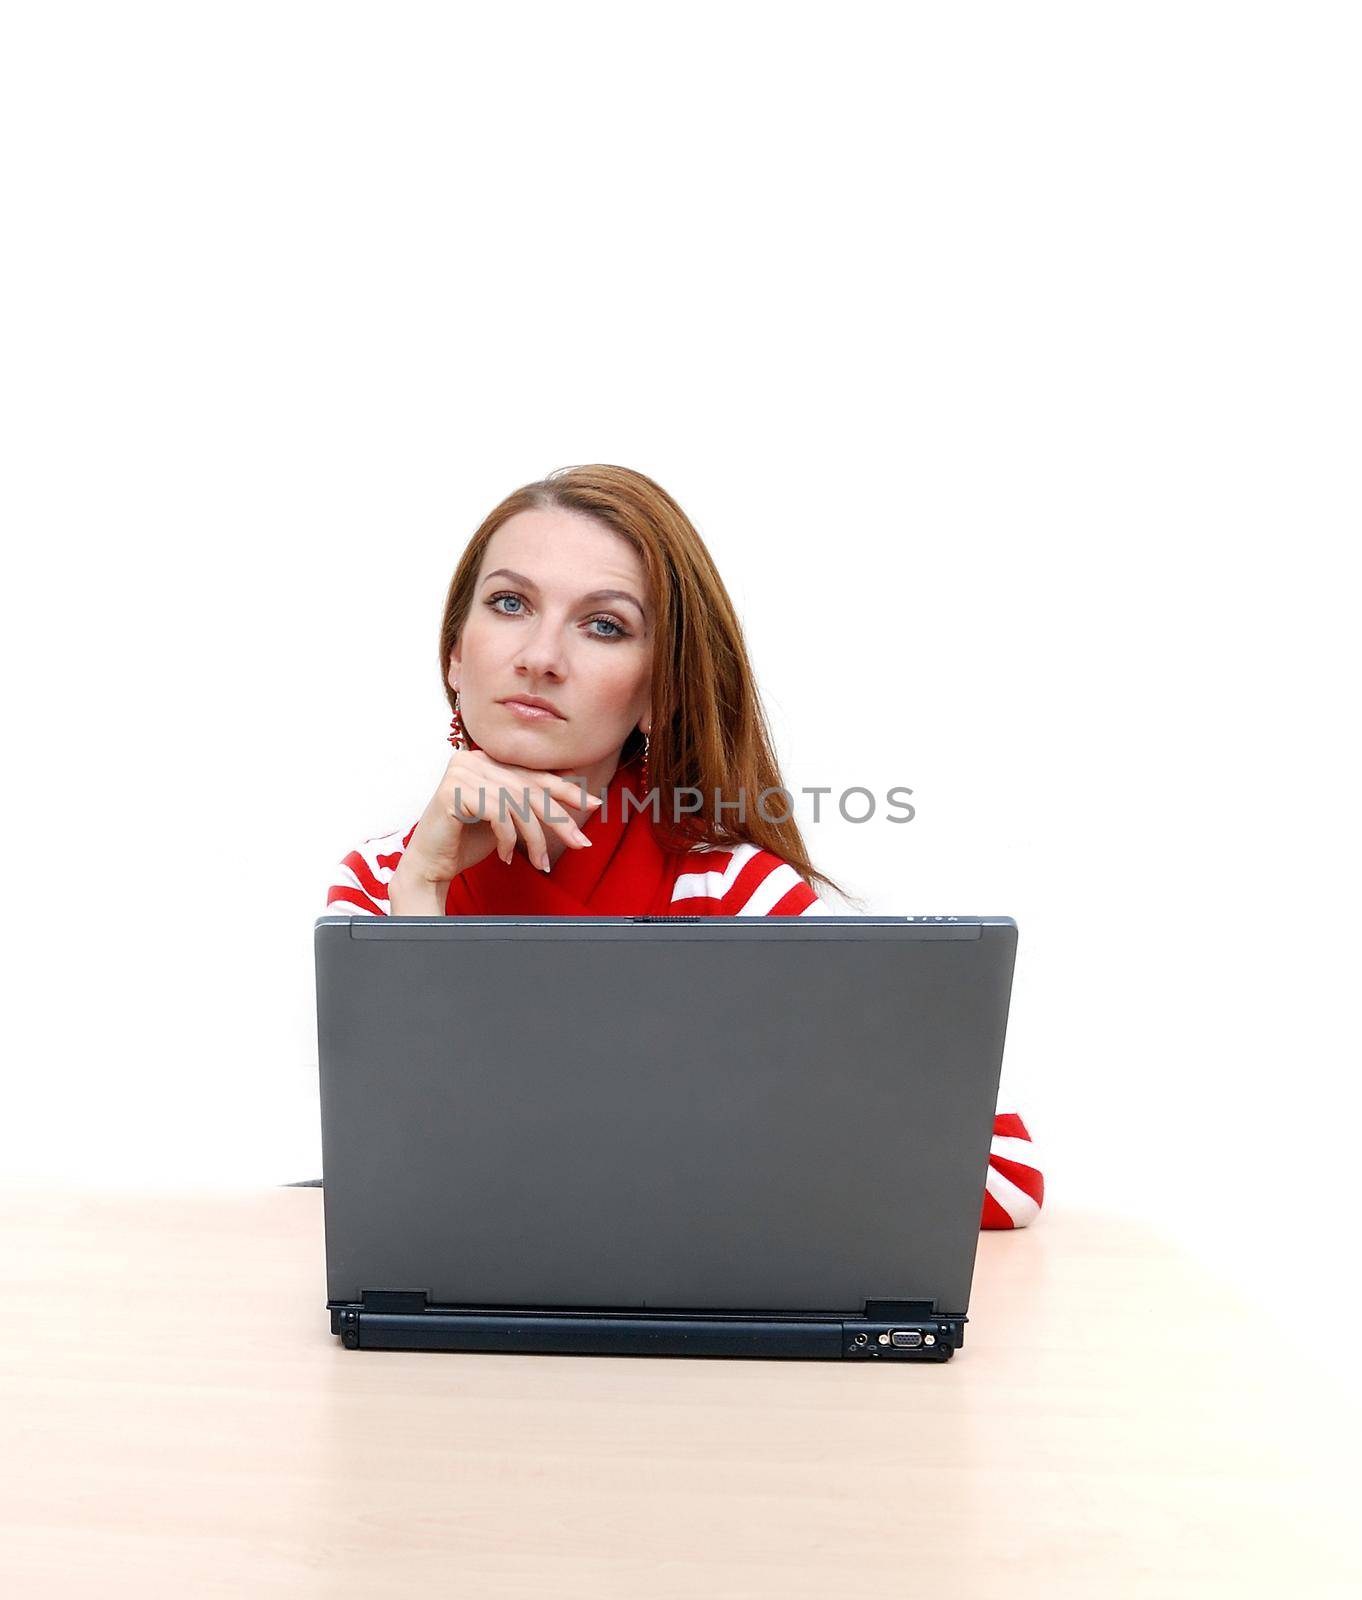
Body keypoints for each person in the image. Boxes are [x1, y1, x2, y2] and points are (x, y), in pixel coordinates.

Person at [324, 465, 1044, 1230]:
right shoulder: (385, 881)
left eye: (604, 625)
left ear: (657, 694)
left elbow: (1005, 1178)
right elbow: (394, 1174)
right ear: (455, 655)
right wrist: (423, 889)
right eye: (509, 604)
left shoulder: (731, 895)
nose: (539, 656)